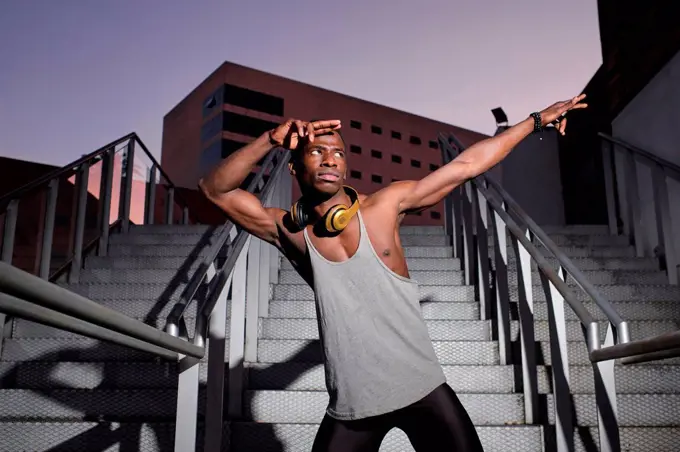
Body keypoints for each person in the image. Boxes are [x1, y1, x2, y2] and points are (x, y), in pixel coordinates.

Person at [199, 94, 587, 451]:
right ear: (295, 168)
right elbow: (215, 190)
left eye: (337, 153)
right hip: (352, 406)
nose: (330, 159)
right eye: (317, 151)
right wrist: (271, 137)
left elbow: (465, 166)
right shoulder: (291, 232)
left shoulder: (384, 207)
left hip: (422, 390)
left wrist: (536, 120)